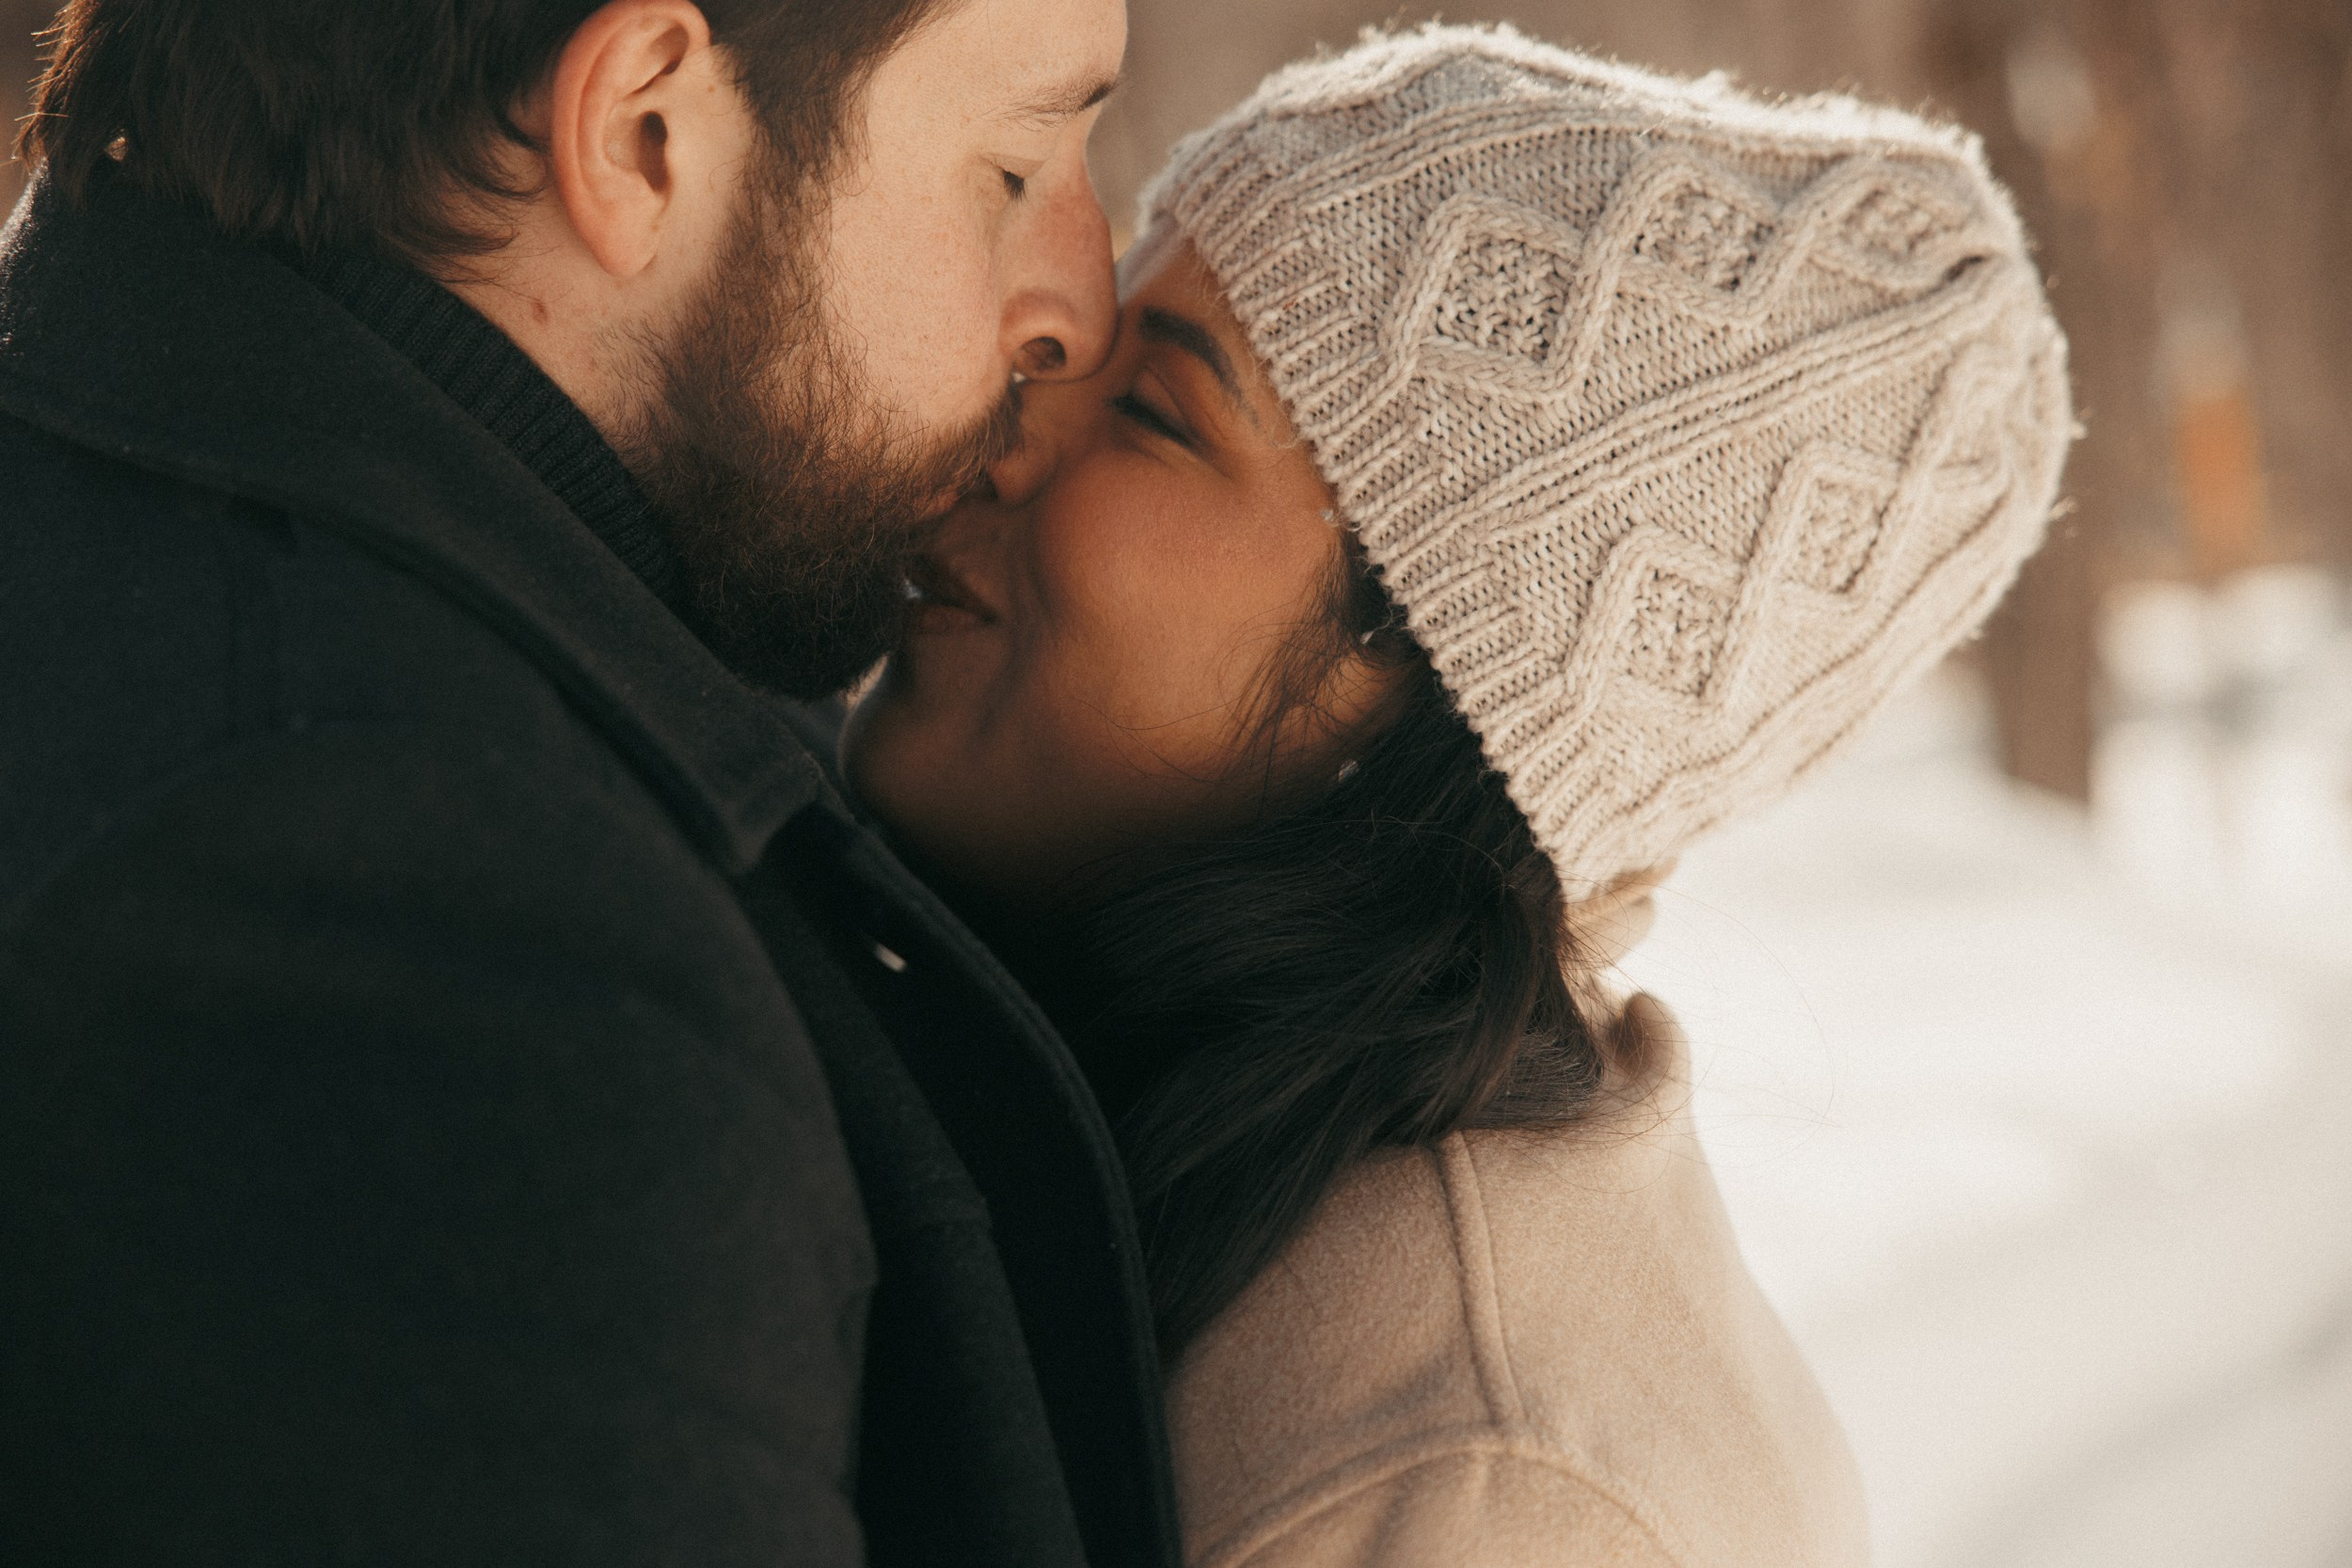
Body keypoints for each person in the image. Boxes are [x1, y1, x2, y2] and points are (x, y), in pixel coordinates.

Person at [845, 25, 2073, 1564]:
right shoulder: (1157, 1132)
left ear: (1431, 693)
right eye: (1074, 345)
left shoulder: (1470, 1491)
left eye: (1156, 413)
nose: (997, 419)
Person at [0, 2, 1184, 1564]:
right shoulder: (453, 962)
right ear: (641, 130)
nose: (1076, 310)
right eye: (1019, 163)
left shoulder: (108, 507)